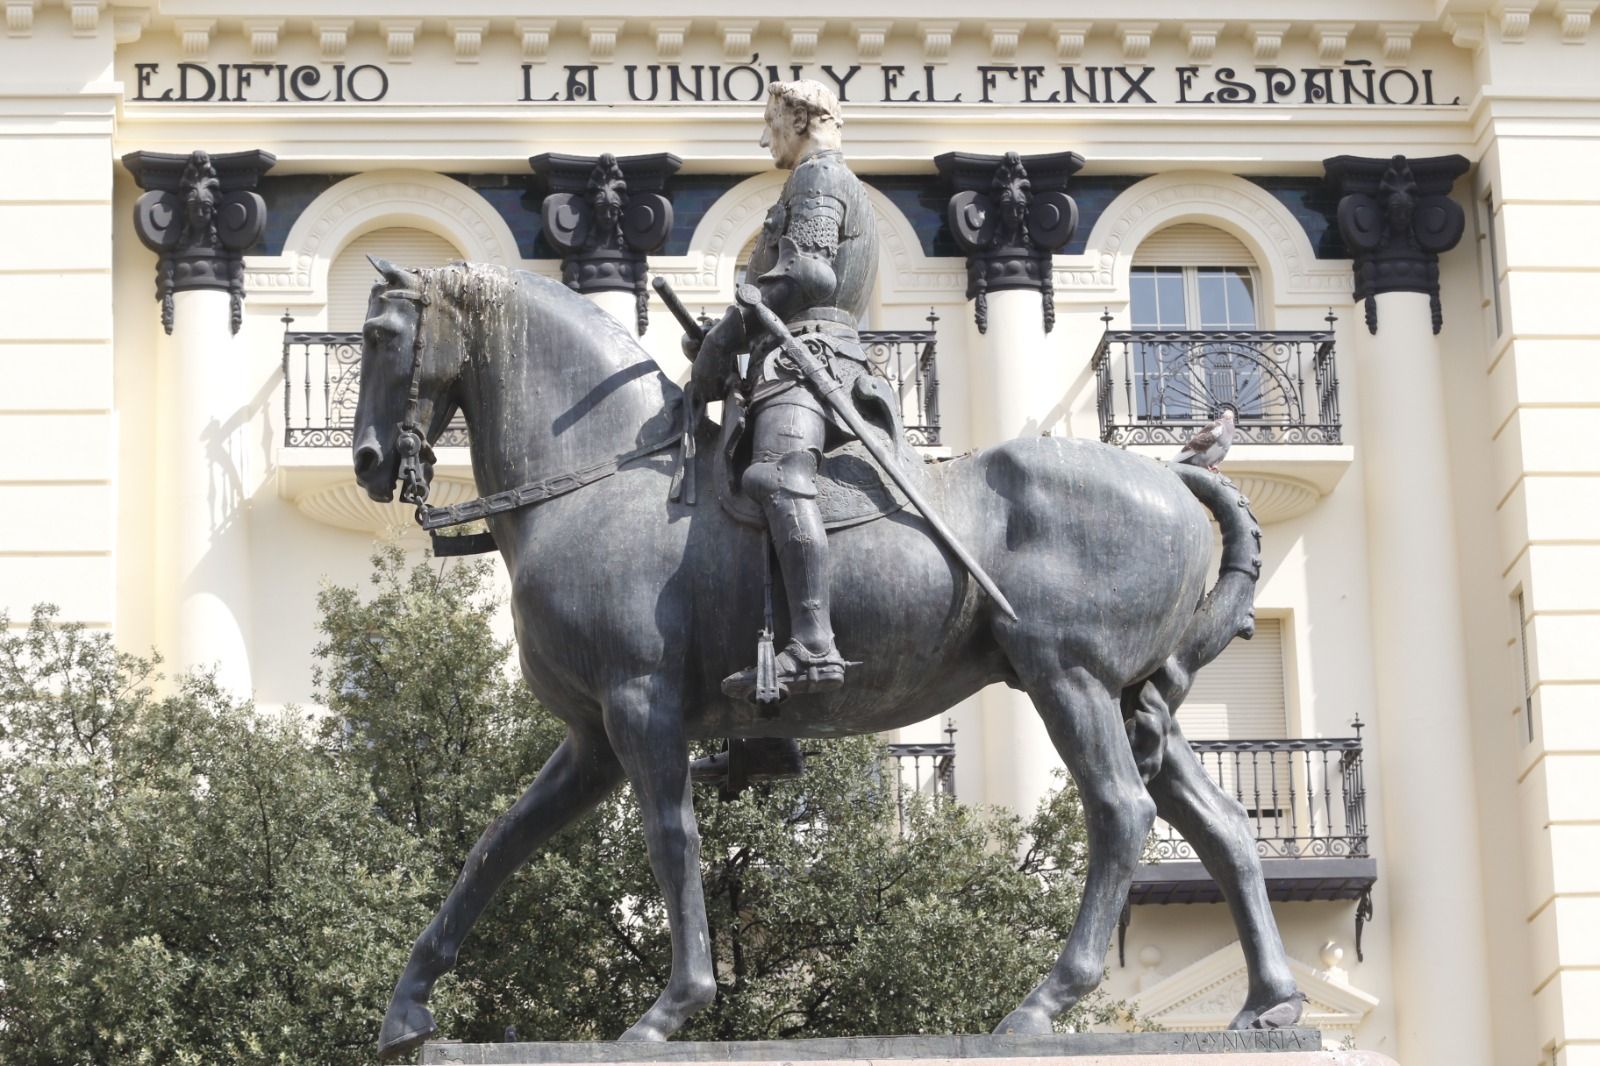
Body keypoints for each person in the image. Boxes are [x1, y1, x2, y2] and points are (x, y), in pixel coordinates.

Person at [685, 79, 880, 701]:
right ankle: (762, 734)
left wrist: (725, 339)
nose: (763, 135)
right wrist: (722, 334)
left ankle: (816, 647)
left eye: (769, 121)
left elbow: (810, 270)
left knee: (773, 477)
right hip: (790, 353)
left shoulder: (818, 177)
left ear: (798, 119)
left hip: (808, 358)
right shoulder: (819, 178)